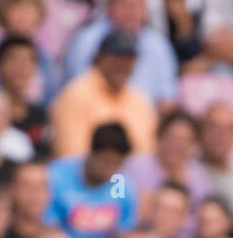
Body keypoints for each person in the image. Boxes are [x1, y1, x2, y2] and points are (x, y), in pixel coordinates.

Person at [50, 29, 157, 158]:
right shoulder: (76, 94)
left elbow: (148, 153)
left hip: (132, 176)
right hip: (88, 175)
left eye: (129, 59)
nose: (122, 65)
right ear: (99, 58)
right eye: (117, 58)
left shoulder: (139, 100)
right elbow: (71, 155)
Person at [45, 122, 137, 238]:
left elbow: (125, 232)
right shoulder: (57, 176)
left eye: (116, 164)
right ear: (91, 153)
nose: (110, 170)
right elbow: (47, 229)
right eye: (106, 162)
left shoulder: (119, 183)